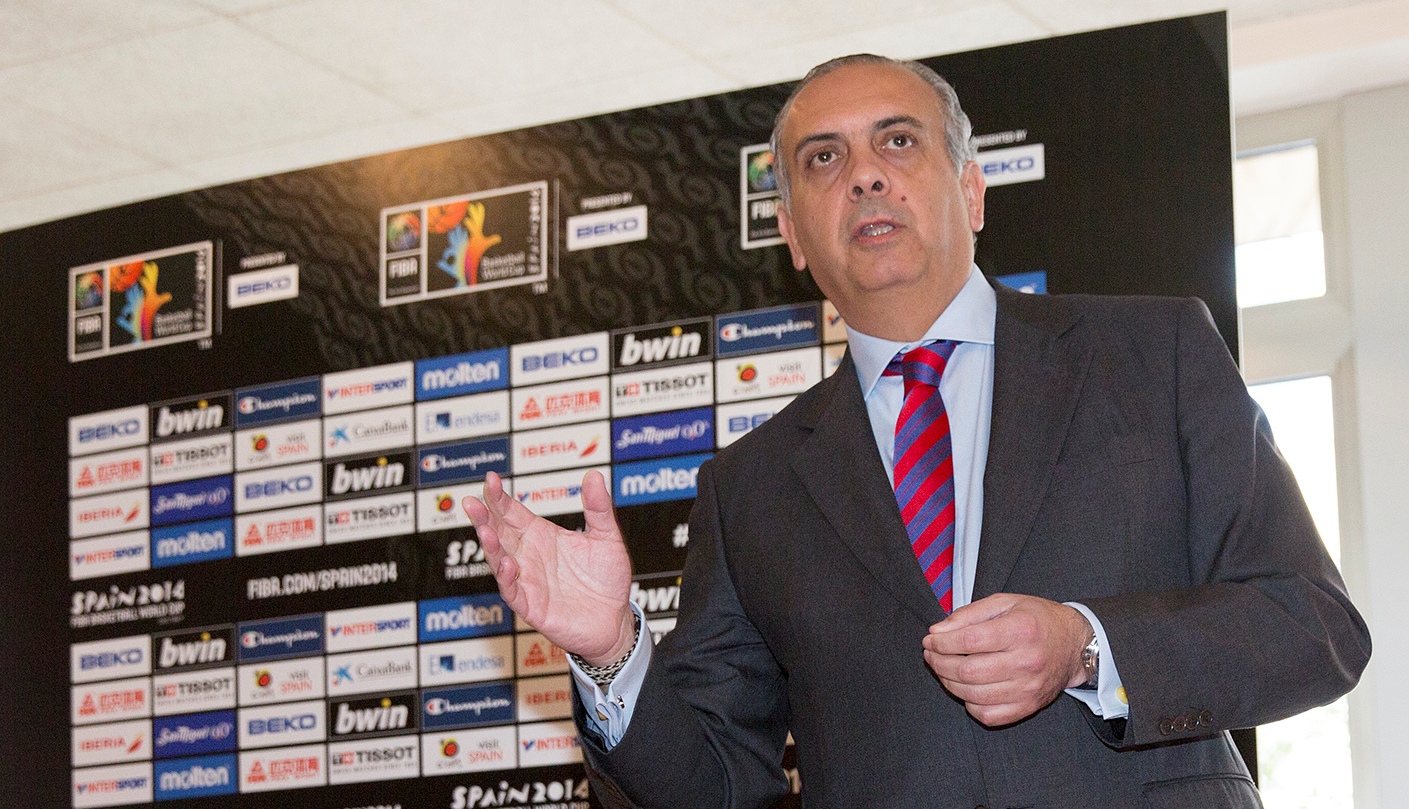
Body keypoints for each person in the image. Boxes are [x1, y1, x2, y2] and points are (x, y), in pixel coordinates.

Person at [463, 54, 1370, 808]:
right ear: (789, 234)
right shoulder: (751, 487)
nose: (863, 173)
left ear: (972, 191)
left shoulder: (1153, 351)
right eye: (822, 160)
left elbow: (1313, 626)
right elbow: (713, 788)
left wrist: (1084, 645)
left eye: (897, 141)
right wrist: (611, 649)